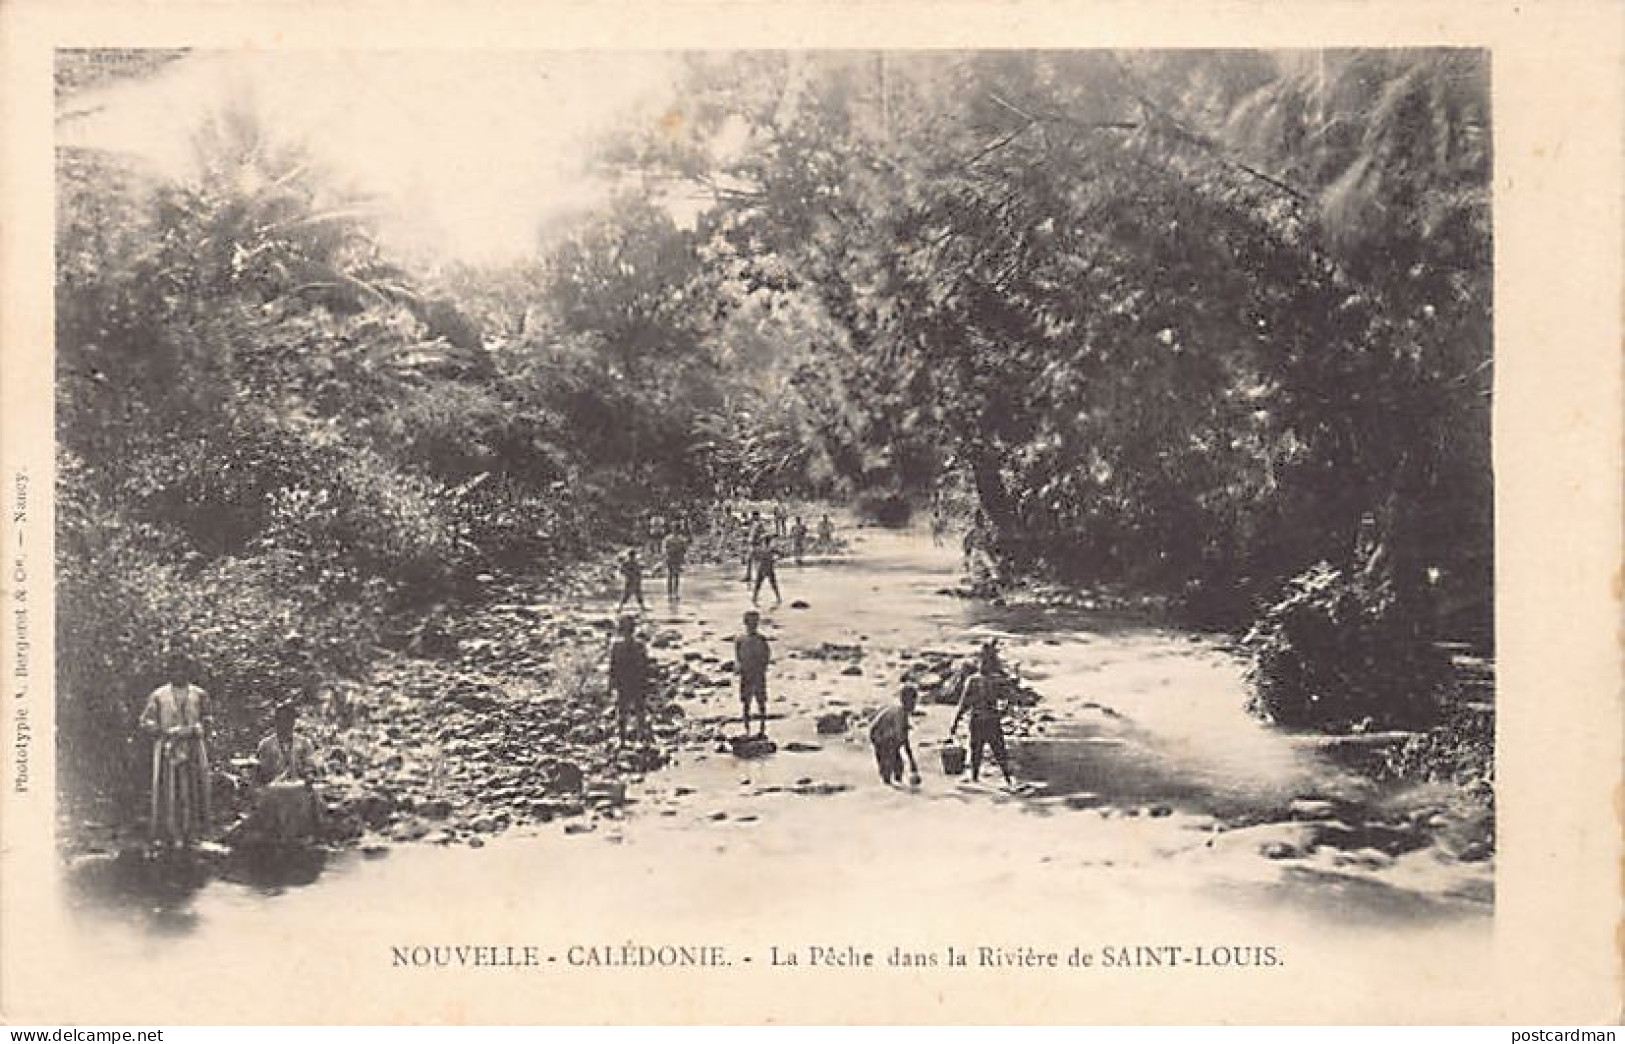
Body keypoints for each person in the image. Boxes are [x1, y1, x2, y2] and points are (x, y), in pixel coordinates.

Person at [139, 657, 212, 849]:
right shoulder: (159, 695)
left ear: (188, 672)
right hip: (167, 747)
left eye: (182, 669)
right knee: (169, 788)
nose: (178, 673)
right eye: (174, 670)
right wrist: (163, 732)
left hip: (193, 746)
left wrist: (196, 729)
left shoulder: (199, 694)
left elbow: (208, 719)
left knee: (192, 788)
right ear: (169, 672)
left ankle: (192, 832)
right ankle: (168, 832)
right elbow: (145, 721)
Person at [250, 700, 322, 843]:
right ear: (276, 722)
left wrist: (309, 775)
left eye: (289, 720)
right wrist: (262, 778)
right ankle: (276, 835)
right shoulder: (266, 744)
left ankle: (305, 833)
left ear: (293, 722)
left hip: (298, 783)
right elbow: (260, 769)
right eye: (281, 720)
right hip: (274, 784)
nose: (285, 724)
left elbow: (310, 764)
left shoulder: (304, 742)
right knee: (271, 795)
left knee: (308, 795)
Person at [948, 642, 1014, 785]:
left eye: (985, 661)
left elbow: (963, 703)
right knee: (987, 751)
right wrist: (955, 722)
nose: (983, 664)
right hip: (987, 720)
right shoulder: (985, 680)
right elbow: (964, 703)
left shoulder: (978, 680)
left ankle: (983, 779)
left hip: (983, 720)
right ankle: (987, 778)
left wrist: (955, 722)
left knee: (990, 751)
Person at [608, 615, 651, 748]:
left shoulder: (616, 646)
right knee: (639, 709)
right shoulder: (640, 645)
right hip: (636, 680)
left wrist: (611, 684)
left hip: (623, 681)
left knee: (623, 710)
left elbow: (612, 667)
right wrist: (647, 682)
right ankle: (642, 737)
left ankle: (622, 740)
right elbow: (645, 666)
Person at [869, 685, 921, 786]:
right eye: (913, 702)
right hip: (879, 736)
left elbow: (904, 738)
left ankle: (895, 781)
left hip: (886, 736)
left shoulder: (903, 714)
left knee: (898, 766)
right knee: (888, 763)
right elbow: (901, 739)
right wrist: (909, 759)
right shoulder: (899, 714)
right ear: (905, 702)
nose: (914, 705)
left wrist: (911, 760)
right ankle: (887, 781)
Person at [733, 610, 772, 737]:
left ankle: (762, 725)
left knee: (761, 700)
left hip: (758, 672)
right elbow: (738, 655)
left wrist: (764, 666)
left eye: (755, 622)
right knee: (746, 701)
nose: (753, 625)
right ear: (745, 623)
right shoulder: (741, 639)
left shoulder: (761, 639)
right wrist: (739, 666)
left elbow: (767, 654)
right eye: (750, 622)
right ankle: (747, 727)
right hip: (746, 672)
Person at [751, 534, 783, 606]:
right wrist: (775, 560)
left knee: (758, 584)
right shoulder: (771, 549)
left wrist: (756, 564)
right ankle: (778, 598)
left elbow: (753, 557)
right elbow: (781, 554)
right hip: (768, 567)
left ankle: (754, 598)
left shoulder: (759, 549)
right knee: (773, 584)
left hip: (762, 568)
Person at [662, 527, 690, 602]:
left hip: (676, 559)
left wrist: (683, 557)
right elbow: (664, 549)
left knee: (676, 576)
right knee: (671, 576)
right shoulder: (669, 539)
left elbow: (684, 549)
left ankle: (675, 593)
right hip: (671, 558)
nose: (675, 531)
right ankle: (670, 594)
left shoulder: (680, 539)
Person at [742, 511, 764, 584]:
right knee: (749, 560)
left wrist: (759, 540)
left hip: (757, 545)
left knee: (756, 561)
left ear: (757, 516)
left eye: (754, 516)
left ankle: (757, 577)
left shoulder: (759, 524)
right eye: (753, 516)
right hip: (752, 544)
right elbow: (745, 522)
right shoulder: (753, 523)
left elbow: (762, 533)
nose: (753, 517)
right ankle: (748, 576)